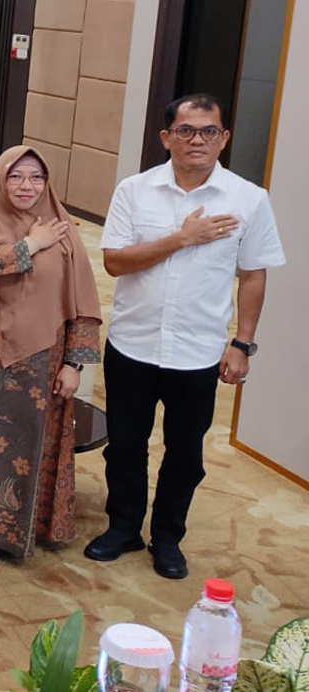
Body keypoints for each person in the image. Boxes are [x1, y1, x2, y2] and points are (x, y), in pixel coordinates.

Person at [86, 94, 283, 579]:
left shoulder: (248, 199)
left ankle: (168, 538)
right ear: (166, 137)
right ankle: (123, 527)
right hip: (132, 343)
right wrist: (181, 238)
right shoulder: (135, 190)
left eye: (209, 131)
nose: (198, 140)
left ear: (224, 138)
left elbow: (253, 275)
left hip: (197, 352)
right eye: (186, 130)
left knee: (186, 455)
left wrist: (242, 344)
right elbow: (115, 262)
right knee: (125, 446)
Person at [0, 145, 102, 558]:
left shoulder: (62, 229)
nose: (26, 185)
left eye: (36, 177)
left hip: (44, 362)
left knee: (35, 444)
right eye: (15, 176)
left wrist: (74, 364)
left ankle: (24, 533)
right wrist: (29, 245)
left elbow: (83, 301)